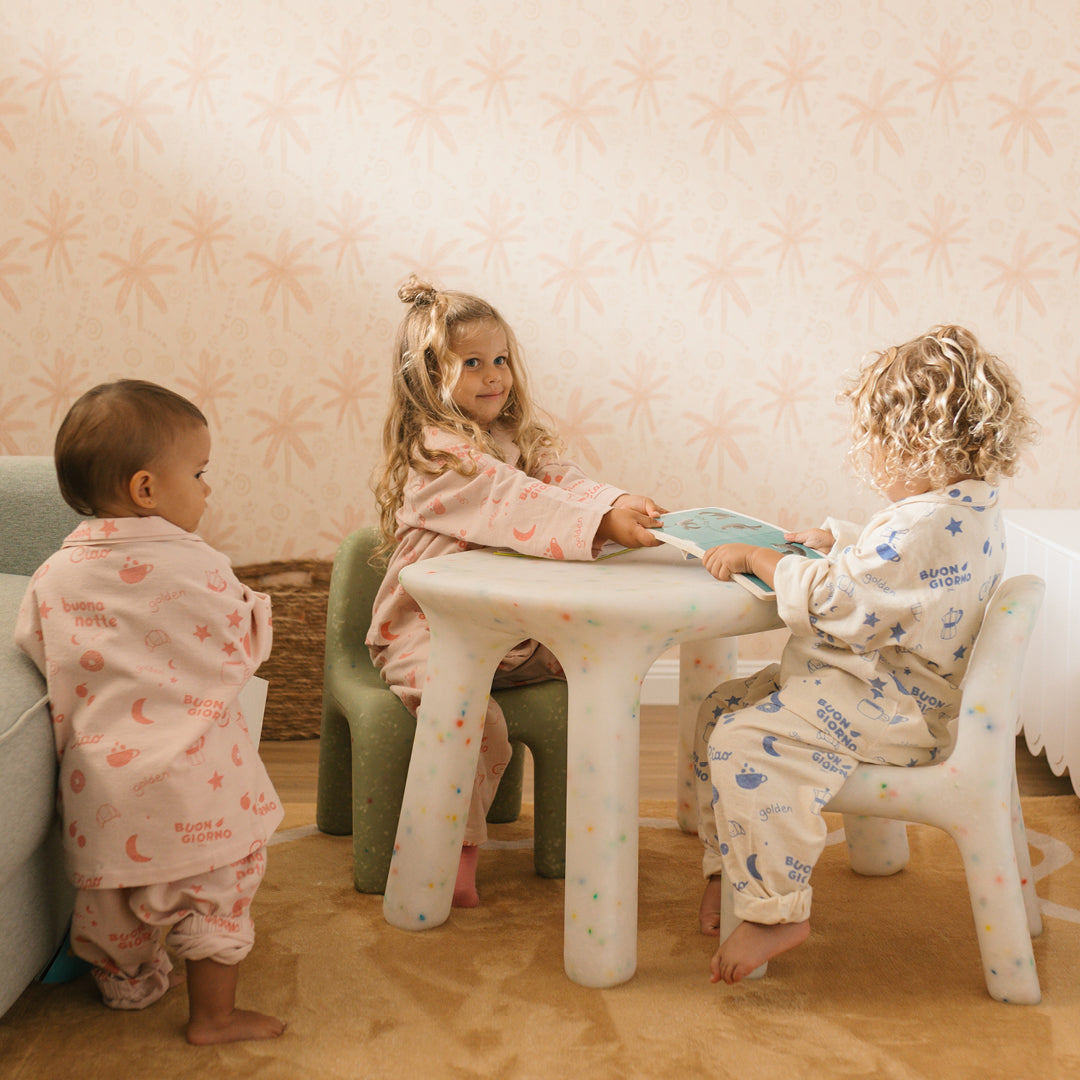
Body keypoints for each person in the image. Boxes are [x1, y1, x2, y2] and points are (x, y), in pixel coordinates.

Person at [692, 326, 1037, 985]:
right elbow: (907, 575)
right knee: (722, 706)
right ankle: (732, 871)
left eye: (874, 441)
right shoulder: (963, 508)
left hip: (892, 709)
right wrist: (837, 539)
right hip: (890, 692)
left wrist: (763, 559)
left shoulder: (923, 524)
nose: (869, 457)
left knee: (742, 739)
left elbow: (841, 603)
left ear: (914, 441)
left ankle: (775, 910)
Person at [368, 275, 665, 906]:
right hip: (431, 630)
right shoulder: (437, 453)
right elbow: (515, 499)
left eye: (500, 359)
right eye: (472, 363)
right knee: (473, 718)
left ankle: (591, 835)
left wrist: (614, 501)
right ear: (428, 375)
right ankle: (453, 852)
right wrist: (599, 523)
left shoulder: (512, 438)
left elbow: (559, 480)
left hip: (514, 635)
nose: (493, 376)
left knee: (603, 667)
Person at [15, 380, 286, 1045]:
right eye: (198, 473)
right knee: (216, 894)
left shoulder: (53, 575)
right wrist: (256, 617)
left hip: (102, 791)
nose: (206, 490)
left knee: (111, 906)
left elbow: (37, 647)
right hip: (197, 788)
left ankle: (129, 986)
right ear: (145, 489)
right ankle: (214, 1017)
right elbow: (239, 649)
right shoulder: (198, 565)